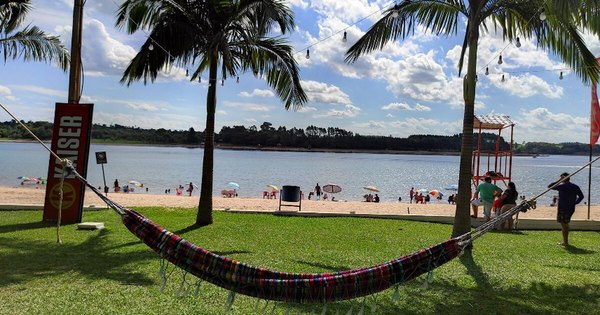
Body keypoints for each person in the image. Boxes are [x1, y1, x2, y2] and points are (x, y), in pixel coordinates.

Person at [548, 173, 584, 246]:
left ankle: (565, 242)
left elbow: (550, 186)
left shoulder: (562, 186)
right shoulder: (575, 186)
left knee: (564, 225)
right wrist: (575, 203)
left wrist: (559, 180)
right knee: (565, 224)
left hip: (563, 208)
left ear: (563, 178)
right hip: (571, 208)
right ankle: (565, 241)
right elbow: (581, 196)